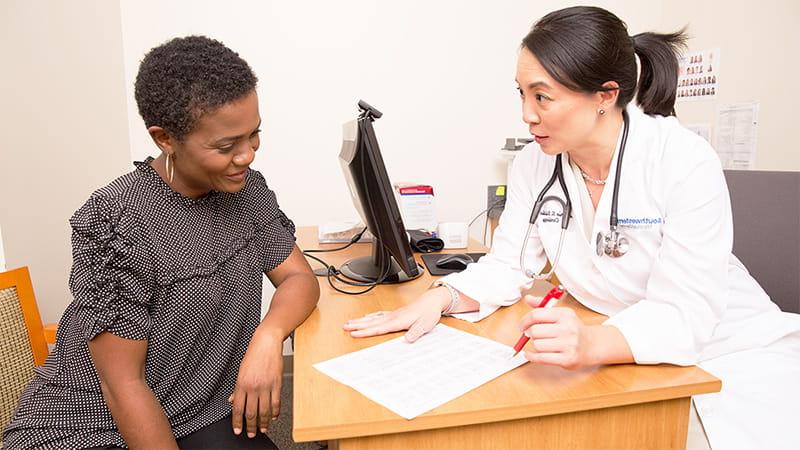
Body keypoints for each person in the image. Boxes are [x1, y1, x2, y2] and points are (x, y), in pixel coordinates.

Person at [344, 6, 799, 450]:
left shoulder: (682, 160)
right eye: (521, 93)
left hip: (730, 353)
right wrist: (438, 299)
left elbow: (686, 315)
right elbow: (509, 265)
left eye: (542, 96)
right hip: (619, 344)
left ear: (604, 95)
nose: (527, 113)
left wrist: (592, 343)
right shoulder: (533, 164)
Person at [3, 36, 319, 449]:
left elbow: (299, 278)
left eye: (253, 135)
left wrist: (269, 335)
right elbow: (124, 388)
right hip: (92, 427)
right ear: (164, 138)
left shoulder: (246, 191)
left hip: (199, 412)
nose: (247, 156)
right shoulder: (117, 220)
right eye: (226, 146)